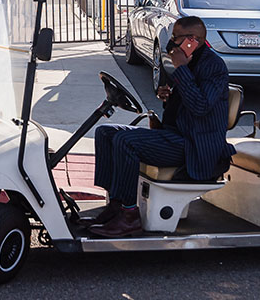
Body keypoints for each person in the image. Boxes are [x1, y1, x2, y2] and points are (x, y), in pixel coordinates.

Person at [89, 15, 234, 237]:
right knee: (106, 133)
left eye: (176, 39)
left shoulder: (213, 66)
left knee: (125, 141)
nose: (171, 44)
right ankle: (115, 205)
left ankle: (129, 216)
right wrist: (169, 96)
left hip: (196, 147)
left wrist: (182, 70)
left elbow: (201, 107)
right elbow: (187, 104)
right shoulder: (188, 61)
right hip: (177, 136)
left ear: (191, 40)